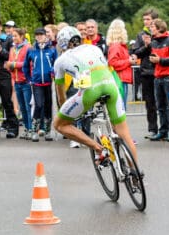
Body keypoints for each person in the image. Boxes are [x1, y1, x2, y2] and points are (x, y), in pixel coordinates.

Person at [52, 26, 137, 163]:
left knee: (59, 125)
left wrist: (65, 110)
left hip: (90, 91)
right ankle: (135, 176)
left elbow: (61, 92)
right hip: (111, 86)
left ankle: (98, 148)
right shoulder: (94, 48)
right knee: (124, 134)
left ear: (62, 43)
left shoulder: (60, 60)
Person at [23, 27, 57, 142]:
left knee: (48, 106)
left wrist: (53, 71)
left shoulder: (52, 49)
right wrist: (29, 79)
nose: (39, 37)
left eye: (41, 35)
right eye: (37, 35)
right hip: (36, 83)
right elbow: (25, 66)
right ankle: (34, 131)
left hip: (48, 82)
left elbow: (56, 63)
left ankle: (47, 131)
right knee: (38, 105)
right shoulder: (32, 49)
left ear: (45, 36)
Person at [148, 19, 169, 142]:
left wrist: (160, 61)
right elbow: (154, 59)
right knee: (160, 106)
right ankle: (163, 130)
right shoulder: (154, 42)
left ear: (159, 28)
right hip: (158, 77)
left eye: (152, 26)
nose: (150, 28)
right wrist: (153, 62)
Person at [132, 9, 159, 137]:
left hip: (160, 72)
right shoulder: (140, 35)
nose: (146, 22)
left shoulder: (162, 33)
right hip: (146, 72)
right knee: (150, 103)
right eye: (144, 19)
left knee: (164, 102)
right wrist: (146, 46)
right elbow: (136, 52)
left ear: (155, 20)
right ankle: (153, 129)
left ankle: (168, 129)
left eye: (148, 19)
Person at [7, 27, 32, 139]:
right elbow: (9, 62)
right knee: (22, 107)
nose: (14, 38)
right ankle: (26, 128)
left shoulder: (28, 48)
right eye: (13, 36)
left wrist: (15, 65)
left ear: (22, 36)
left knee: (28, 106)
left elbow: (29, 64)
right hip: (16, 81)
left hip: (26, 81)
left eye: (16, 36)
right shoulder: (12, 49)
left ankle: (31, 129)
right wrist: (9, 66)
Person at [105, 19, 133, 105]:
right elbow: (112, 63)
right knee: (121, 107)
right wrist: (128, 61)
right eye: (124, 28)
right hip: (119, 79)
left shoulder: (117, 46)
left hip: (120, 78)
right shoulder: (116, 46)